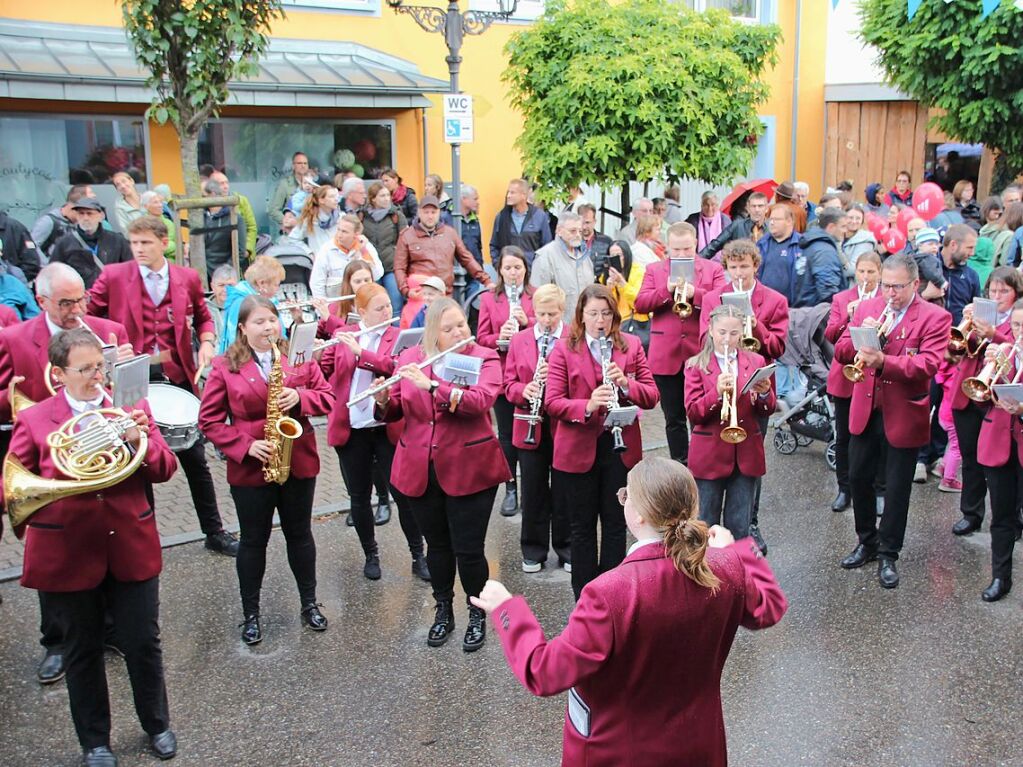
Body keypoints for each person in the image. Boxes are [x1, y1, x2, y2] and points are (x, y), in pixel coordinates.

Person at [471, 457, 787, 767]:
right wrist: (742, 551)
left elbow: (544, 672)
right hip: (699, 743)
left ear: (637, 516)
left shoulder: (609, 592)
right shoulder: (727, 566)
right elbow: (770, 608)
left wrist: (506, 610)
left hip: (621, 751)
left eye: (626, 496)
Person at [4, 327, 179, 766]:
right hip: (70, 552)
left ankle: (157, 724)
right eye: (84, 370)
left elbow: (164, 467)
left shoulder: (131, 408)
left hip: (130, 544)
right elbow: (13, 486)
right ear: (59, 373)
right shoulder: (35, 419)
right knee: (81, 650)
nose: (96, 377)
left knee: (143, 642)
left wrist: (138, 441)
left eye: (100, 367)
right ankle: (95, 742)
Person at [0, 262, 132, 686]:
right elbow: (6, 397)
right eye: (66, 302)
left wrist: (126, 370)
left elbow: (129, 396)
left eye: (82, 299)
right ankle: (56, 642)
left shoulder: (108, 330)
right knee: (54, 552)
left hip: (102, 451)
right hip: (49, 459)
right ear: (41, 301)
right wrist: (14, 395)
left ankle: (108, 629)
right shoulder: (15, 338)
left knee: (106, 540)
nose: (78, 309)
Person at [89, 215, 239, 556]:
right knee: (138, 458)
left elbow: (202, 315)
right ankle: (146, 538)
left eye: (146, 243)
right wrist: (107, 350)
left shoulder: (185, 277)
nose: (139, 249)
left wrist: (207, 339)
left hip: (177, 375)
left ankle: (214, 531)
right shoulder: (114, 276)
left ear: (163, 242)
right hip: (131, 378)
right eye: (135, 243)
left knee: (196, 460)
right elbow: (87, 319)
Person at [372, 298, 512, 652]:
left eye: (461, 325)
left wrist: (434, 387)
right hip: (420, 466)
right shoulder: (411, 359)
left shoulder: (483, 357)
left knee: (469, 549)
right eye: (447, 329)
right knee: (437, 546)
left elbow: (480, 401)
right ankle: (443, 610)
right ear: (432, 332)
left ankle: (477, 614)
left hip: (469, 467)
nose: (457, 333)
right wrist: (385, 400)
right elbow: (397, 412)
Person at [199, 296, 334, 644]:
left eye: (272, 320)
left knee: (300, 535)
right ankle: (251, 614)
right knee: (253, 542)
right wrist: (245, 446)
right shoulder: (224, 365)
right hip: (251, 468)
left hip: (298, 461)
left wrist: (301, 399)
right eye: (258, 322)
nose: (268, 328)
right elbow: (209, 421)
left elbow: (328, 396)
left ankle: (309, 603)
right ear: (243, 328)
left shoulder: (297, 357)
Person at [834, 254, 951, 589]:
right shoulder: (869, 307)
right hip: (866, 408)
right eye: (886, 285)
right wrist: (860, 336)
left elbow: (927, 366)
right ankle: (866, 541)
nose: (890, 293)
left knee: (897, 489)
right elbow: (841, 349)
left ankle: (889, 553)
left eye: (897, 287)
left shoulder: (935, 317)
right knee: (858, 477)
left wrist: (884, 359)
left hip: (904, 411)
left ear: (915, 284)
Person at [545, 284, 659, 599]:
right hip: (577, 451)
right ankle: (585, 598)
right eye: (593, 313)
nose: (600, 320)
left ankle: (613, 595)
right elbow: (552, 402)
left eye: (606, 313)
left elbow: (652, 396)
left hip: (619, 450)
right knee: (582, 529)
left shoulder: (631, 345)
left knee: (615, 524)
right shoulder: (564, 348)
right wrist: (588, 404)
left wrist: (627, 383)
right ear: (581, 315)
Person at [318, 284, 429, 581]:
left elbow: (398, 366)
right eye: (379, 308)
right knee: (359, 496)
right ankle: (371, 554)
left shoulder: (398, 337)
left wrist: (362, 353)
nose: (387, 312)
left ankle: (418, 555)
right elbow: (327, 370)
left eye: (388, 307)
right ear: (362, 311)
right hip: (352, 428)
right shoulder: (347, 333)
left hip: (386, 427)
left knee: (403, 495)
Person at [635, 222, 726, 463]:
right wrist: (666, 291)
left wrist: (694, 293)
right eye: (676, 250)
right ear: (667, 248)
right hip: (667, 356)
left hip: (700, 352)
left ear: (695, 244)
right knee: (673, 418)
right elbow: (640, 304)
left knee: (702, 414)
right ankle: (680, 464)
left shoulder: (712, 269)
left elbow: (720, 302)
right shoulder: (655, 270)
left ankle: (703, 462)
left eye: (686, 249)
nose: (682, 254)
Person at [684, 305, 775, 539]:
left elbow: (766, 409)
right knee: (704, 526)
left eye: (734, 333)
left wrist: (765, 393)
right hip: (709, 456)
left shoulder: (756, 360)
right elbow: (693, 413)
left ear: (742, 332)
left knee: (740, 527)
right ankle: (703, 574)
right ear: (711, 330)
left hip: (745, 455)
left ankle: (736, 574)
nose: (727, 338)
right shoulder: (696, 365)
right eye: (722, 332)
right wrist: (715, 393)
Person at [948, 267, 1023, 537]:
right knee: (970, 458)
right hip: (968, 392)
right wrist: (965, 325)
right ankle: (971, 513)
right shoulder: (978, 312)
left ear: (1016, 294)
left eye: (1005, 291)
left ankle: (1011, 519)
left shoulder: (1017, 319)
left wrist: (993, 334)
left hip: (1000, 398)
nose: (998, 295)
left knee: (1006, 461)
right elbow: (954, 350)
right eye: (993, 290)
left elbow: (1016, 347)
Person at [503, 284, 569, 572]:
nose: (546, 320)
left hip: (565, 425)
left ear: (562, 311)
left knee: (566, 489)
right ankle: (533, 549)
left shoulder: (572, 338)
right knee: (533, 489)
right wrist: (526, 388)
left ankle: (567, 549)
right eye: (541, 314)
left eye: (552, 314)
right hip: (530, 423)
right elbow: (508, 385)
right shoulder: (520, 340)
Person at [477, 246, 536, 516]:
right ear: (500, 270)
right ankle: (510, 487)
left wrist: (529, 321)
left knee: (532, 430)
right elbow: (482, 340)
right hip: (502, 373)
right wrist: (500, 335)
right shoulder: (490, 298)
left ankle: (532, 488)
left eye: (518, 267)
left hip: (531, 373)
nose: (513, 273)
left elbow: (550, 327)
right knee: (507, 436)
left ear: (525, 268)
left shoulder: (535, 295)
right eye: (508, 268)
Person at [824, 253, 884, 513]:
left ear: (880, 273)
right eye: (862, 272)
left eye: (871, 272)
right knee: (844, 436)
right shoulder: (842, 298)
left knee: (877, 435)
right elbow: (830, 336)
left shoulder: (886, 301)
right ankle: (844, 488)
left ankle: (879, 489)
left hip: (873, 377)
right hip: (846, 376)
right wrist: (848, 317)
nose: (866, 278)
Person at [975, 298, 1023, 602]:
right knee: (1001, 517)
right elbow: (979, 399)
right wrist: (990, 369)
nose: (1020, 333)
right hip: (999, 444)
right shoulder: (1005, 352)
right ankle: (1000, 577)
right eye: (1017, 326)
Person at [393, 196, 490, 310]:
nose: (430, 216)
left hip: (445, 296)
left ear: (439, 213)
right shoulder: (407, 235)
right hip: (420, 297)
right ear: (419, 212)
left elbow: (467, 259)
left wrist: (486, 281)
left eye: (433, 212)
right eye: (426, 212)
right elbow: (399, 267)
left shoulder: (450, 233)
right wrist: (406, 291)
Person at [50, 197, 133, 289]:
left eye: (90, 214)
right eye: (81, 213)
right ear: (76, 216)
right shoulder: (65, 243)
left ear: (101, 216)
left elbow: (130, 270)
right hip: (80, 298)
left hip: (111, 295)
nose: (85, 218)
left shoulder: (117, 240)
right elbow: (55, 273)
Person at [218, 256, 287, 354]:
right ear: (262, 283)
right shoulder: (240, 303)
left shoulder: (266, 299)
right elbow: (235, 338)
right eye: (276, 285)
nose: (278, 289)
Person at [529, 211, 593, 317]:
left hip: (585, 325)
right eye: (572, 231)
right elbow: (539, 299)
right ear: (559, 231)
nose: (577, 235)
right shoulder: (545, 256)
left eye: (580, 231)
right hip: (559, 327)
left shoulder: (584, 257)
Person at [360, 180, 409, 314]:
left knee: (395, 304)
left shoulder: (396, 215)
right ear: (373, 199)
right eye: (382, 196)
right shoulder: (362, 216)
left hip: (390, 266)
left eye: (388, 195)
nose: (387, 198)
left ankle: (396, 333)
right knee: (373, 304)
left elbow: (405, 239)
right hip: (371, 266)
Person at [310, 214, 383, 299]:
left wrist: (364, 252)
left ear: (356, 234)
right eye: (338, 230)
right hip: (335, 302)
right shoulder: (326, 250)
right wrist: (324, 308)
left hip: (360, 300)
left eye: (344, 232)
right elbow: (316, 283)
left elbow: (378, 274)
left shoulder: (366, 246)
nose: (339, 235)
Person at [489, 178, 553, 265]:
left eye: (512, 192)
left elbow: (547, 246)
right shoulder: (501, 217)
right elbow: (494, 245)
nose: (508, 196)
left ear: (523, 195)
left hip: (533, 272)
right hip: (509, 272)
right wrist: (498, 265)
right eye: (508, 192)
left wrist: (540, 268)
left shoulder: (539, 216)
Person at [794, 207, 846, 307]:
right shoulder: (825, 251)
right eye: (843, 226)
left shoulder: (813, 244)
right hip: (817, 313)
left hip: (806, 310)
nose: (845, 231)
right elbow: (828, 291)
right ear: (831, 227)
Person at [201, 178, 248, 280]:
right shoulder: (200, 218)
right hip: (203, 275)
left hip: (225, 276)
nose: (199, 200)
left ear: (212, 194)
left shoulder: (235, 218)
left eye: (202, 196)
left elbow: (240, 251)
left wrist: (224, 272)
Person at [701, 191, 769, 261]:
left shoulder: (773, 228)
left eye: (760, 206)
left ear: (766, 208)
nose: (757, 210)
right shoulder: (737, 225)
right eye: (753, 206)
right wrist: (695, 262)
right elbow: (714, 246)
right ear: (748, 208)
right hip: (741, 269)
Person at [756, 203, 802, 305]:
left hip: (792, 307)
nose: (771, 223)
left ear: (789, 221)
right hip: (764, 305)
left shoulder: (802, 244)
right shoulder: (762, 244)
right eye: (770, 219)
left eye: (776, 219)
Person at [31, 184, 92, 260]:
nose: (85, 216)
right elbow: (31, 245)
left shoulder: (79, 225)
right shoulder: (48, 221)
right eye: (82, 212)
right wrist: (46, 265)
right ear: (72, 206)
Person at [209, 170, 257, 257]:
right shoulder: (209, 205)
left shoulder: (241, 200)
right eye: (221, 183)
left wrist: (247, 249)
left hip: (241, 253)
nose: (226, 186)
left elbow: (252, 227)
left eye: (227, 183)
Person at [601, 240, 647, 327]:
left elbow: (639, 302)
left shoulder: (638, 272)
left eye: (619, 255)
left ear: (626, 256)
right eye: (611, 256)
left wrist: (622, 283)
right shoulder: (605, 276)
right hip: (614, 323)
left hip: (635, 323)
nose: (615, 259)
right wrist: (608, 289)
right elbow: (605, 306)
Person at [288, 183, 340, 256]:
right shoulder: (310, 220)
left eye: (336, 196)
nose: (336, 199)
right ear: (321, 200)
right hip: (319, 262)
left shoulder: (341, 218)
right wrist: (309, 253)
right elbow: (293, 239)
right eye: (331, 197)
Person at [268, 152, 309, 233]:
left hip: (310, 231)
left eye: (305, 163)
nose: (303, 165)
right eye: (299, 163)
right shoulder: (284, 184)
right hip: (292, 232)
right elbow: (273, 210)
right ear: (293, 166)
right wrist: (289, 221)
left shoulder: (313, 184)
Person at [841, 204, 878, 281]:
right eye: (850, 218)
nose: (854, 221)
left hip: (850, 286)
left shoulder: (865, 241)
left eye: (858, 218)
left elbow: (852, 269)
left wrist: (832, 271)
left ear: (862, 220)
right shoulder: (839, 235)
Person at [140, 190, 176, 260]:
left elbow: (174, 245)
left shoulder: (168, 223)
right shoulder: (142, 224)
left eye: (160, 202)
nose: (160, 205)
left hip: (170, 262)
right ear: (146, 206)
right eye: (155, 202)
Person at [208, 264, 239, 345]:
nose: (225, 290)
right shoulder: (205, 309)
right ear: (213, 286)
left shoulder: (244, 306)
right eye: (221, 285)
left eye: (230, 285)